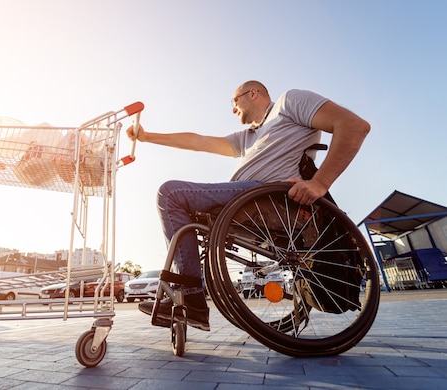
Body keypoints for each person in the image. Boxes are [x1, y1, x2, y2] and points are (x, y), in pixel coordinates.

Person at [126, 80, 370, 331]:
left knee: (171, 194)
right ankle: (189, 296)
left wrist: (320, 183)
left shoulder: (290, 102)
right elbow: (198, 141)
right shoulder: (249, 137)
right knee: (179, 204)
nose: (233, 110)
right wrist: (147, 137)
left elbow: (354, 126)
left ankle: (190, 297)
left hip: (269, 200)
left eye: (234, 102)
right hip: (243, 205)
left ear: (253, 93)